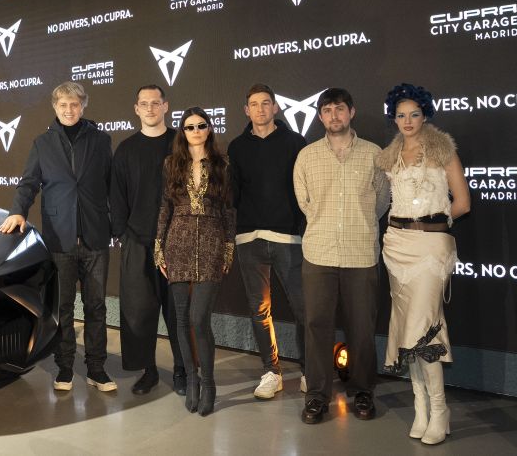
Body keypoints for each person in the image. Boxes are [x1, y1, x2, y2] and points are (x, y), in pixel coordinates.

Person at [0, 82, 116, 393]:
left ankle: (97, 369)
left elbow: (112, 185)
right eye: (63, 105)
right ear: (55, 107)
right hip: (59, 239)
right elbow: (28, 183)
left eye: (74, 104)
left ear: (83, 106)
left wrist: (117, 226)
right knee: (62, 307)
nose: (69, 110)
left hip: (95, 237)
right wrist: (18, 211)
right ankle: (64, 368)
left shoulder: (101, 140)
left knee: (96, 307)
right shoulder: (42, 143)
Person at [376, 83, 470, 445]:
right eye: (401, 115)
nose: (408, 121)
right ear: (394, 119)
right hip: (396, 246)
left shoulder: (443, 150)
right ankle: (421, 407)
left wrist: (434, 225)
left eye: (414, 114)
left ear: (425, 115)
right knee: (405, 328)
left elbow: (462, 203)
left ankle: (440, 409)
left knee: (423, 326)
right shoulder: (388, 157)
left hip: (431, 248)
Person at [293, 87, 390, 425]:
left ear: (352, 112)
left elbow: (381, 202)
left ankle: (363, 390)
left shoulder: (374, 154)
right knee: (316, 326)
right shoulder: (307, 156)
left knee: (362, 327)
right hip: (318, 253)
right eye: (327, 110)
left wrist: (358, 226)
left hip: (360, 253)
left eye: (339, 109)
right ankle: (317, 395)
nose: (334, 115)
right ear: (320, 116)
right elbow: (305, 203)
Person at [227, 83, 308, 399]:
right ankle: (271, 372)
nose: (260, 109)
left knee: (303, 308)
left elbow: (304, 190)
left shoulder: (295, 143)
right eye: (254, 104)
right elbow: (232, 194)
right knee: (259, 309)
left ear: (275, 107)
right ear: (246, 110)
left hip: (288, 237)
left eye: (265, 103)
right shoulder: (236, 147)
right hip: (249, 239)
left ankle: (310, 370)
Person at [154, 107, 236, 416]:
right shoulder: (171, 164)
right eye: (190, 127)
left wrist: (228, 248)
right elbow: (165, 207)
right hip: (178, 242)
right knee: (180, 318)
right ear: (183, 132)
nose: (196, 131)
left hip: (212, 242)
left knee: (199, 319)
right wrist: (159, 248)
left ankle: (209, 384)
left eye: (201, 125)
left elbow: (229, 210)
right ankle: (191, 379)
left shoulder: (222, 165)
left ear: (209, 129)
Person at [110, 85, 184, 395]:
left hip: (176, 242)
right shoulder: (126, 149)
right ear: (136, 109)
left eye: (156, 103)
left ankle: (182, 370)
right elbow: (117, 196)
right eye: (144, 104)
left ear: (166, 106)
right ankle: (148, 370)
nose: (150, 108)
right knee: (138, 312)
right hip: (138, 241)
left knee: (179, 312)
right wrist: (124, 235)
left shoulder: (181, 143)